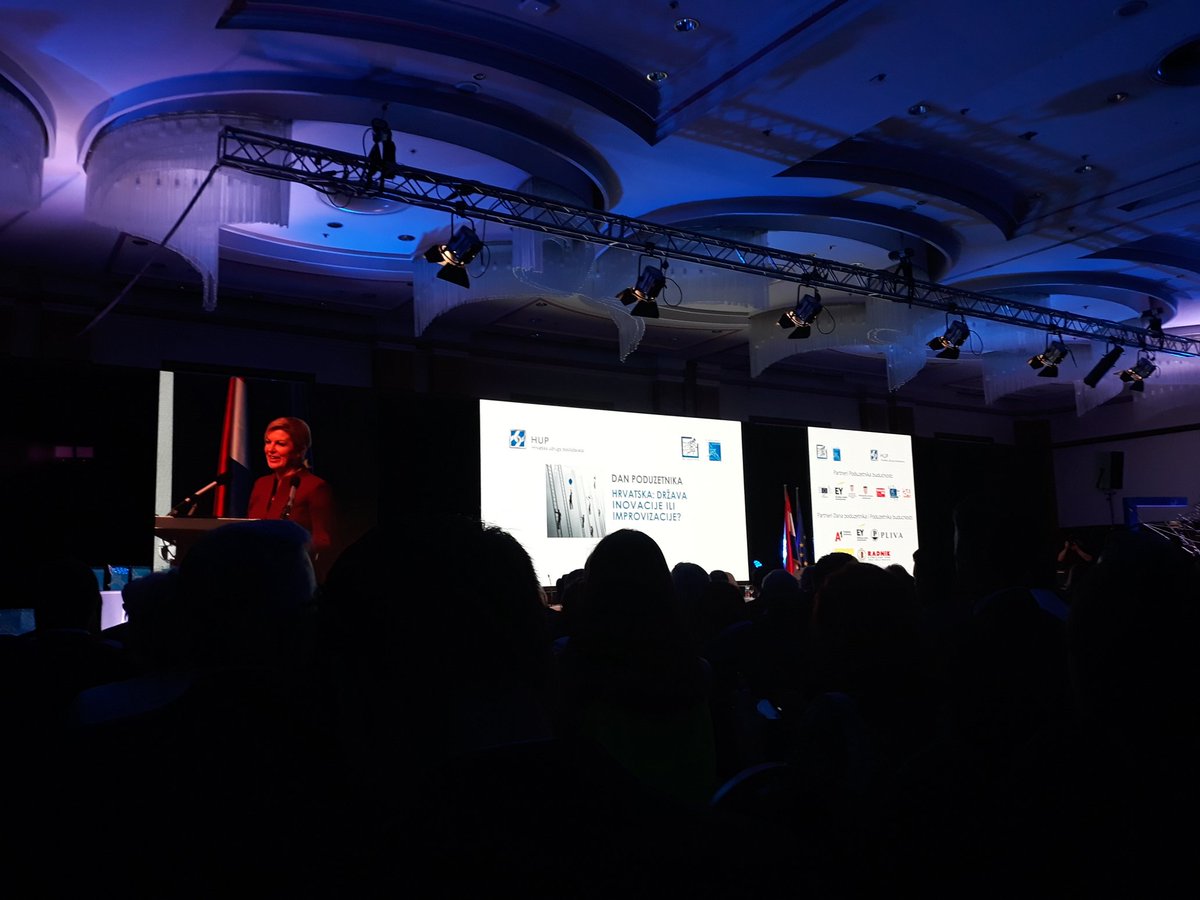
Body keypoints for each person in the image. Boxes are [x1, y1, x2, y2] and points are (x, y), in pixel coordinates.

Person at [247, 417, 333, 557]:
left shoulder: (315, 487)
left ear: (300, 450)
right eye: (268, 442)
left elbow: (323, 540)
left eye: (280, 444)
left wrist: (289, 548)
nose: (270, 449)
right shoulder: (261, 484)